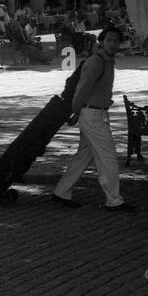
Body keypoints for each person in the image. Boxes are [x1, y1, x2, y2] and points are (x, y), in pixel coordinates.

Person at [53, 27, 128, 211]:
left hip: (96, 114)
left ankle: (61, 192)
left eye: (116, 40)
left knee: (83, 157)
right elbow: (82, 89)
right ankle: (114, 200)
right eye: (109, 40)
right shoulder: (97, 62)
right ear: (101, 42)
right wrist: (76, 111)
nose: (113, 43)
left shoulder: (106, 61)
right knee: (108, 158)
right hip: (92, 115)